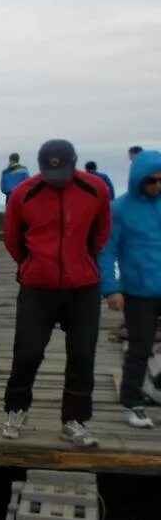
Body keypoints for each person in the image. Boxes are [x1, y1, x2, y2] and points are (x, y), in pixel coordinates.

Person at [1, 139, 112, 445]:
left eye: (63, 171)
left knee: (82, 354)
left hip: (84, 287)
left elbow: (102, 230)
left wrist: (85, 260)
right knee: (27, 352)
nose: (58, 178)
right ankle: (16, 408)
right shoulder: (24, 193)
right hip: (38, 286)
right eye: (51, 173)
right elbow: (12, 239)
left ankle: (74, 420)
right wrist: (33, 264)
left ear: (74, 163)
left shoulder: (95, 189)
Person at [99, 148, 161, 428]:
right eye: (151, 181)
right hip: (138, 290)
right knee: (140, 348)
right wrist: (111, 288)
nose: (157, 186)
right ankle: (133, 403)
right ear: (139, 179)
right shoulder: (120, 209)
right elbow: (106, 251)